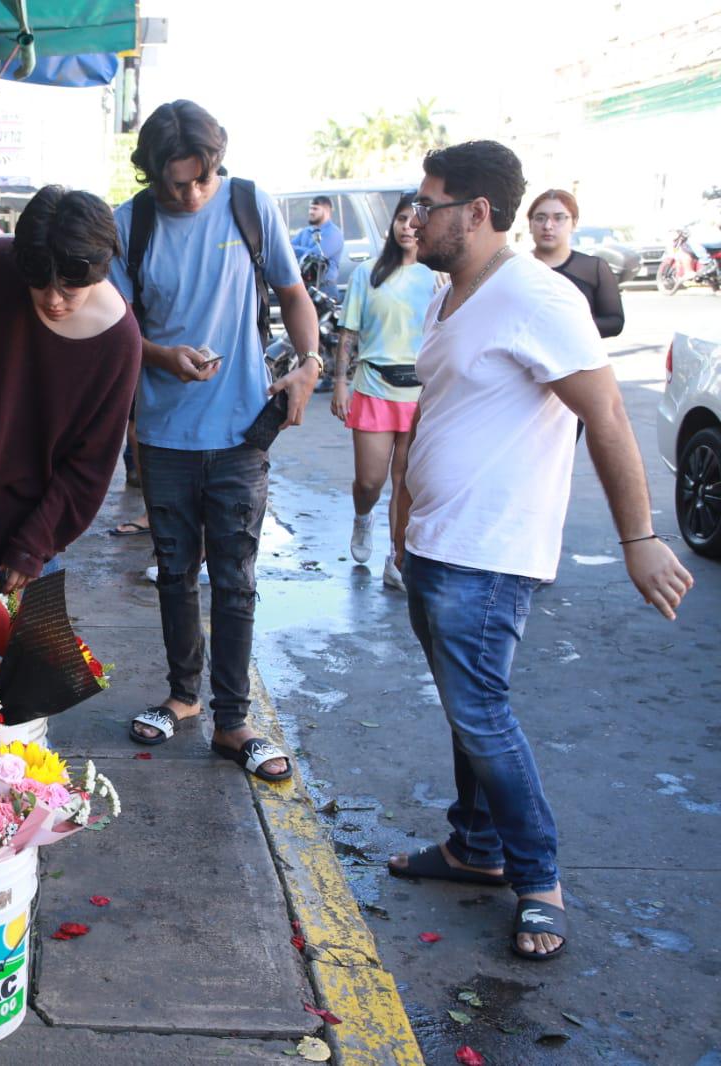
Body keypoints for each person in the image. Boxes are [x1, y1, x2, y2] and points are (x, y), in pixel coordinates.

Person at [387, 141, 693, 962]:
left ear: (478, 213)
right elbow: (441, 411)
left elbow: (607, 415)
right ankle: (473, 848)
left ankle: (539, 879)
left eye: (431, 204)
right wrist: (404, 508)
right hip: (436, 542)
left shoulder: (538, 296)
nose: (416, 218)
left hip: (491, 551)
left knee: (483, 717)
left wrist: (640, 539)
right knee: (465, 709)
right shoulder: (450, 293)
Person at [111, 100, 321, 779]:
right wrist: (161, 354)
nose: (191, 193)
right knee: (176, 572)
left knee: (235, 580)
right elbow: (113, 332)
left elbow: (293, 295)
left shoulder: (249, 205)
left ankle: (233, 722)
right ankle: (183, 698)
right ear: (151, 174)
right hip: (165, 437)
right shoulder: (130, 226)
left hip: (240, 433)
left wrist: (310, 367)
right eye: (175, 183)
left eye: (201, 178)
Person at [0, 186, 141, 602]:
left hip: (29, 525)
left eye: (70, 291)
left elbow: (90, 465)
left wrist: (34, 545)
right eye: (40, 286)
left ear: (99, 270)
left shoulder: (119, 341)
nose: (53, 300)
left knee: (6, 661)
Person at [331, 194, 439, 591]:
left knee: (405, 481)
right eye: (402, 219)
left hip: (421, 392)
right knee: (370, 481)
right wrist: (341, 381)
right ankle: (363, 517)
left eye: (416, 220)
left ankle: (397, 560)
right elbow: (349, 332)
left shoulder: (436, 277)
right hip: (374, 386)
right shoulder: (367, 274)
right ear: (391, 225)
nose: (408, 227)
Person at [526, 188, 624, 338]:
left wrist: (566, 324)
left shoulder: (595, 268)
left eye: (559, 218)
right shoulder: (516, 268)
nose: (548, 226)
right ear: (530, 224)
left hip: (580, 359)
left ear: (574, 223)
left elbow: (614, 322)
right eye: (540, 218)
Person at [291, 195, 345, 300]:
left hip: (325, 288)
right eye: (310, 208)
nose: (311, 212)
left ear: (327, 211)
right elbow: (288, 250)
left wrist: (299, 250)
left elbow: (315, 256)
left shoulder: (333, 233)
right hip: (305, 287)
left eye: (315, 209)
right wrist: (307, 251)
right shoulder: (306, 232)